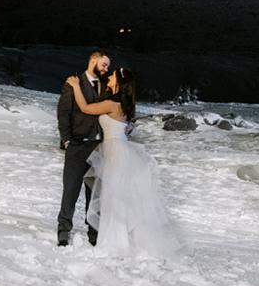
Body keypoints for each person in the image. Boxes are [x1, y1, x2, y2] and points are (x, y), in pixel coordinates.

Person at [64, 67, 182, 256]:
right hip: (118, 149)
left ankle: (115, 242)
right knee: (116, 195)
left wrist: (76, 86)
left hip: (115, 151)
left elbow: (85, 107)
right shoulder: (125, 105)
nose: (108, 77)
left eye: (112, 76)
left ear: (118, 82)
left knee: (113, 195)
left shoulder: (112, 104)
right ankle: (119, 238)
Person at [57, 49, 110, 246]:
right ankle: (63, 230)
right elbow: (63, 113)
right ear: (93, 61)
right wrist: (67, 139)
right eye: (104, 64)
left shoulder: (106, 85)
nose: (106, 69)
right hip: (77, 146)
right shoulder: (73, 83)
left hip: (98, 147)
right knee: (70, 190)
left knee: (95, 191)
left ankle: (94, 232)